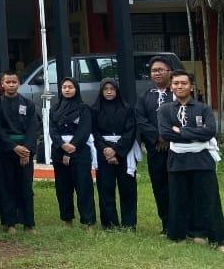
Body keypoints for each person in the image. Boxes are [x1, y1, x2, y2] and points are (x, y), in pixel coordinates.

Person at [157, 70, 224, 252]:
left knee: (208, 199)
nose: (179, 86)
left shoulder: (203, 108)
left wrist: (181, 132)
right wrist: (193, 135)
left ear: (191, 87)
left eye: (183, 83)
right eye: (176, 83)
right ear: (171, 86)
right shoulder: (165, 110)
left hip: (202, 159)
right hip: (177, 160)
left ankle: (217, 239)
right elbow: (165, 133)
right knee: (178, 198)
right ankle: (179, 235)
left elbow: (210, 132)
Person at [0, 71, 39, 233]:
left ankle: (29, 223)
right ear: (2, 84)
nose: (11, 85)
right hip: (5, 151)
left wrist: (26, 151)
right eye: (8, 82)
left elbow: (33, 128)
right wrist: (13, 147)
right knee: (6, 186)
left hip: (25, 150)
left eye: (14, 82)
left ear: (19, 83)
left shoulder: (28, 104)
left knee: (26, 187)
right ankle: (9, 222)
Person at [89, 78, 139, 231]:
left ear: (117, 91)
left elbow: (131, 131)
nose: (109, 92)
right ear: (101, 91)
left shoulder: (127, 108)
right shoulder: (94, 109)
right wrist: (106, 150)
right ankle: (109, 224)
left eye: (112, 89)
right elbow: (93, 132)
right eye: (106, 89)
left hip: (124, 151)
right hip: (103, 152)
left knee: (128, 189)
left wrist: (116, 151)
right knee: (105, 188)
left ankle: (129, 224)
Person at [50, 77, 96, 229]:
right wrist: (62, 145)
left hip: (79, 150)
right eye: (64, 87)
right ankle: (67, 219)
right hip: (59, 150)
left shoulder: (83, 108)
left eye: (70, 87)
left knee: (84, 186)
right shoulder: (55, 108)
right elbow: (52, 130)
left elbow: (85, 129)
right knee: (63, 187)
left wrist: (72, 145)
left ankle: (88, 221)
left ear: (76, 89)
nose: (67, 89)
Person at [135, 55, 173, 234]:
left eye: (160, 70)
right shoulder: (144, 96)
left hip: (177, 150)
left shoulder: (178, 93)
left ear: (169, 72)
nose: (157, 73)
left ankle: (184, 222)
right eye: (153, 71)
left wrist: (167, 136)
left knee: (178, 186)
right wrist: (157, 137)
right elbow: (140, 120)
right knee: (160, 187)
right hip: (155, 149)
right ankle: (166, 224)